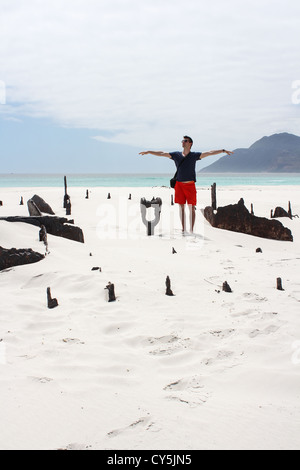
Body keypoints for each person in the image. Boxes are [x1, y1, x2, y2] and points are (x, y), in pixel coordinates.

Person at [139, 136, 233, 233]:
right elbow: (162, 153)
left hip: (190, 185)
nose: (182, 142)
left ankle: (191, 230)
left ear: (190, 143)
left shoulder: (194, 155)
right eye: (182, 141)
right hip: (179, 185)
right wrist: (149, 152)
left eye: (185, 141)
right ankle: (183, 229)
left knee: (191, 208)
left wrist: (222, 150)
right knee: (181, 207)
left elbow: (209, 153)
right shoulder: (176, 155)